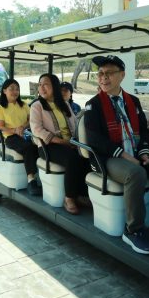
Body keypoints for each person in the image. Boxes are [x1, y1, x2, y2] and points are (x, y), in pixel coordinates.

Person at [84, 55, 149, 255]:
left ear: (122, 75)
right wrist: (123, 155)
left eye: (109, 73)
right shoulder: (93, 104)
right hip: (109, 158)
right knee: (136, 173)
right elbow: (94, 139)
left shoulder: (133, 101)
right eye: (100, 73)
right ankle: (133, 230)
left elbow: (143, 131)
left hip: (135, 153)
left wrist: (144, 152)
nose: (103, 77)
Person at [30, 73, 91, 215]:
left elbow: (75, 124)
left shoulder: (65, 104)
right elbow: (37, 129)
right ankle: (69, 198)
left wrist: (76, 141)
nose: (42, 88)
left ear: (55, 87)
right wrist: (62, 142)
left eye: (46, 84)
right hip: (48, 146)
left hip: (69, 143)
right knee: (72, 158)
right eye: (40, 85)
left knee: (87, 157)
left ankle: (81, 194)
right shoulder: (37, 106)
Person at [0, 79, 41, 195]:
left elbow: (31, 120)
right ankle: (31, 180)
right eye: (11, 89)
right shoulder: (0, 107)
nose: (15, 92)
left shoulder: (23, 105)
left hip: (26, 133)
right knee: (29, 148)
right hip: (11, 137)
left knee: (41, 146)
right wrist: (15, 130)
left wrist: (22, 127)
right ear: (4, 91)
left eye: (17, 89)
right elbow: (1, 126)